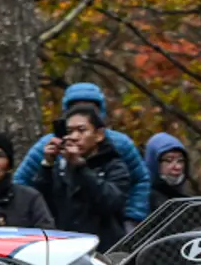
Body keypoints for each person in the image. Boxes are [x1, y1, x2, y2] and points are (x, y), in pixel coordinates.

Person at [13, 82, 151, 226]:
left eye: (91, 106)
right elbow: (22, 183)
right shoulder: (48, 145)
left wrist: (133, 218)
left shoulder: (120, 144)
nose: (75, 136)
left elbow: (140, 180)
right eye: (76, 106)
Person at [26, 107, 128, 247]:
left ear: (99, 135)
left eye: (81, 130)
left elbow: (111, 202)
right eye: (69, 132)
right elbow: (42, 202)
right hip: (66, 247)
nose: (73, 137)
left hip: (103, 248)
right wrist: (47, 164)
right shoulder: (61, 166)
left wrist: (81, 168)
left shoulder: (114, 165)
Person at [143, 132, 194, 212]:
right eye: (169, 160)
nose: (177, 167)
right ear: (154, 163)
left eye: (180, 161)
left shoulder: (188, 202)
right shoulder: (142, 202)